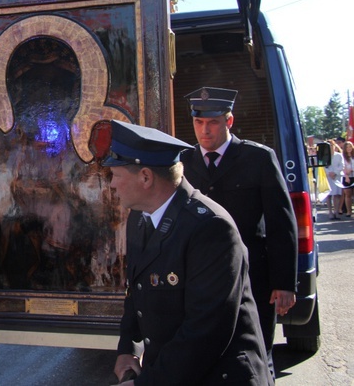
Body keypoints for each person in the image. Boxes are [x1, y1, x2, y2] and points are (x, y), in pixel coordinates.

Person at [106, 121, 271, 385]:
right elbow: (135, 292)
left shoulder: (211, 228)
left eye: (115, 175)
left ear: (146, 177)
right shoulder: (139, 218)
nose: (111, 185)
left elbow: (205, 333)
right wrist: (128, 347)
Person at [181, 87, 297, 377]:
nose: (205, 130)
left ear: (228, 121)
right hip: (200, 279)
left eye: (213, 122)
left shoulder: (257, 158)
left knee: (256, 357)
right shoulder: (182, 163)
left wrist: (284, 283)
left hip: (252, 276)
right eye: (199, 123)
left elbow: (280, 223)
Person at [324, 139, 344, 220]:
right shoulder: (324, 156)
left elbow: (342, 166)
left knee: (337, 195)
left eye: (332, 145)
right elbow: (322, 167)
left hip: (337, 177)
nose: (330, 147)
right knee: (328, 195)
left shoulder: (339, 155)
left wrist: (335, 172)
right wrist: (329, 173)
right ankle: (330, 212)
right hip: (328, 177)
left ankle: (336, 211)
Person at [341, 141, 354, 217]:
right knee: (348, 194)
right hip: (346, 177)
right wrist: (346, 176)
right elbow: (343, 167)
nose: (349, 148)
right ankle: (349, 211)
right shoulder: (343, 157)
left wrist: (352, 170)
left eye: (350, 146)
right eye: (347, 147)